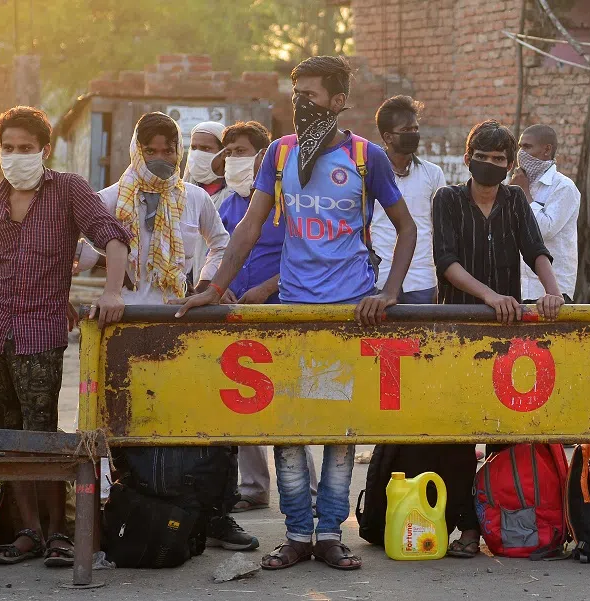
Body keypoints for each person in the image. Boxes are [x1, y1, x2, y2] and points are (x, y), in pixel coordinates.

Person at [174, 55, 417, 571]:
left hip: (349, 314)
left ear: (337, 100)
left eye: (311, 93)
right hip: (291, 315)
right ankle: (296, 536)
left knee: (337, 432)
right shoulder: (279, 154)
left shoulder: (364, 156)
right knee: (288, 431)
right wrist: (215, 288)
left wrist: (390, 291)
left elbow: (407, 228)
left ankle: (330, 535)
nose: (300, 101)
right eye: (295, 92)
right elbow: (249, 229)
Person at [76, 112, 259, 552]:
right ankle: (130, 511)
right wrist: (104, 266)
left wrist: (206, 285)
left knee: (203, 419)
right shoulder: (106, 198)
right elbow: (78, 252)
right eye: (152, 150)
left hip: (182, 325)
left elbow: (222, 243)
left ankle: (215, 515)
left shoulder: (195, 198)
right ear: (137, 150)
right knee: (122, 422)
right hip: (123, 329)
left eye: (168, 150)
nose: (161, 158)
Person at [0, 106, 130, 567]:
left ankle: (59, 533)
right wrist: (20, 286)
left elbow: (112, 235)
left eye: (25, 148)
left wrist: (113, 292)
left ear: (44, 150)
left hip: (41, 334)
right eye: (8, 148)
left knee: (39, 432)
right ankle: (25, 532)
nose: (16, 156)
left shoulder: (68, 191)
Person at [431, 119, 564, 558]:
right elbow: (446, 261)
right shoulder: (447, 199)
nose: (490, 165)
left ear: (510, 165)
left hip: (508, 334)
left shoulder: (514, 200)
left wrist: (552, 291)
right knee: (459, 436)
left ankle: (505, 523)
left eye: (499, 159)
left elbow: (535, 250)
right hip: (458, 329)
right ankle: (467, 529)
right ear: (469, 157)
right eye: (482, 157)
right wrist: (489, 295)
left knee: (505, 432)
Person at [214, 120, 319, 513]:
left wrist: (266, 289)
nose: (234, 159)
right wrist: (217, 287)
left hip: (278, 311)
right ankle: (254, 487)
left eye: (242, 151)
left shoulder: (285, 197)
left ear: (263, 155)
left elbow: (302, 251)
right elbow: (219, 253)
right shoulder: (227, 203)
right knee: (243, 399)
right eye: (230, 153)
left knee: (285, 401)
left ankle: (305, 492)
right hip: (237, 315)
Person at [372, 95, 445, 303]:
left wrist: (440, 280)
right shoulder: (369, 174)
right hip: (380, 278)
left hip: (423, 280)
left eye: (415, 129)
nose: (413, 134)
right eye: (405, 131)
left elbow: (440, 229)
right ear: (387, 137)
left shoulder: (433, 174)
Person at [510, 124, 580, 303]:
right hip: (520, 290)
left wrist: (523, 193)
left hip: (552, 293)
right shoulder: (518, 182)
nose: (521, 153)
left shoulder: (563, 187)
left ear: (546, 150)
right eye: (520, 147)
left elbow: (543, 230)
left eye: (527, 147)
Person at [183, 121, 234, 286]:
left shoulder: (235, 194)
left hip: (223, 285)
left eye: (206, 149)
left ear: (224, 153)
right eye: (194, 147)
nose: (197, 154)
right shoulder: (183, 192)